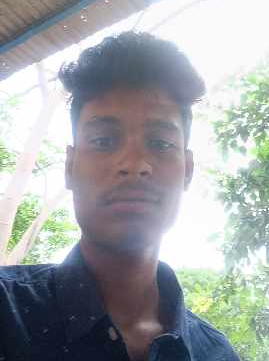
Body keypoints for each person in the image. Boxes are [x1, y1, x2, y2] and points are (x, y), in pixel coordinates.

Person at [0, 32, 240, 361]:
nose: (134, 165)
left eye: (160, 143)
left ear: (187, 170)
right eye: (104, 141)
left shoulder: (216, 354)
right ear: (70, 167)